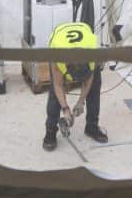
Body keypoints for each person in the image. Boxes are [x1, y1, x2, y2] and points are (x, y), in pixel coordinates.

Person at [42, 21, 108, 151]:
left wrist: (80, 102)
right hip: (60, 35)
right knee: (55, 94)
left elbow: (88, 81)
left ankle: (92, 126)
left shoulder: (93, 55)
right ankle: (50, 132)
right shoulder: (57, 57)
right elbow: (58, 85)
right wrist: (65, 109)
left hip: (83, 31)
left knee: (95, 85)